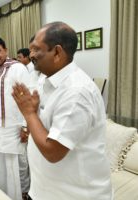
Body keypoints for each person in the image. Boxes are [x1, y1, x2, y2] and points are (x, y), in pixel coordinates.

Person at [12, 22, 113, 200]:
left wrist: (29, 113)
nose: (31, 55)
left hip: (76, 194)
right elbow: (44, 126)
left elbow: (53, 151)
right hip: (47, 190)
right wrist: (33, 113)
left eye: (35, 49)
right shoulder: (45, 80)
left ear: (57, 52)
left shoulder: (77, 92)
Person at [0, 37, 30, 200]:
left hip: (13, 127)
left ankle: (22, 193)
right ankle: (2, 194)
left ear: (6, 51)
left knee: (18, 163)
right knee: (1, 165)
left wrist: (25, 125)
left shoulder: (18, 69)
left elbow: (28, 97)